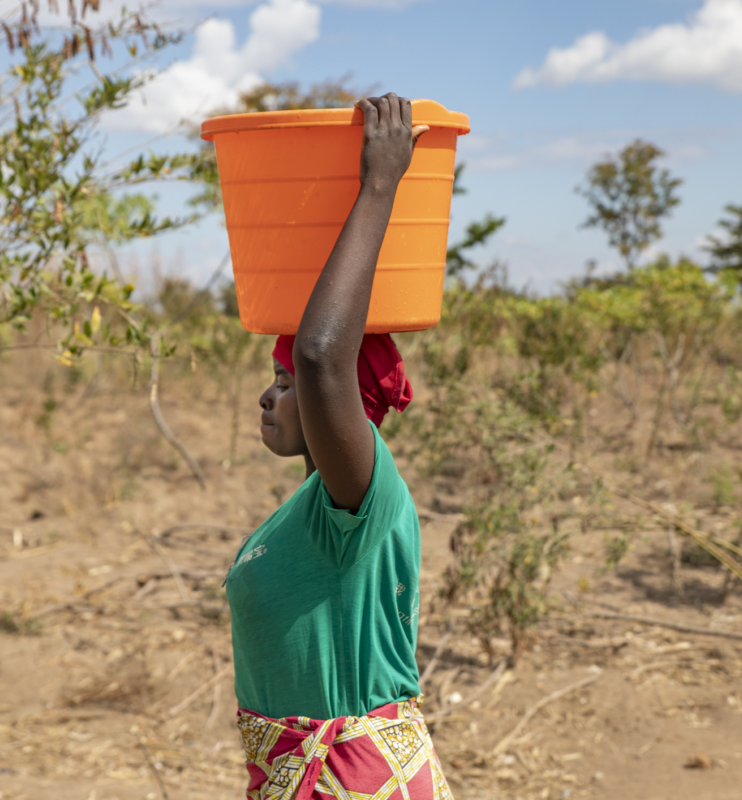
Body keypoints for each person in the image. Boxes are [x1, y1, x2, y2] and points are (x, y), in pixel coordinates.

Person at [224, 94, 453, 800]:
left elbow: (326, 353)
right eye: (272, 378)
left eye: (287, 384)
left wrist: (380, 182)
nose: (269, 396)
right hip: (304, 780)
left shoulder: (364, 499)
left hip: (355, 782)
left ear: (345, 405)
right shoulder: (311, 507)